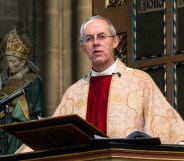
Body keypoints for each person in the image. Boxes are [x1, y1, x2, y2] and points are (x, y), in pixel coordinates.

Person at [17, 15, 184, 153]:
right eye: (89, 39)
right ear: (82, 47)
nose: (96, 42)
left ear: (115, 42)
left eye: (102, 36)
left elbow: (170, 128)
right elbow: (52, 135)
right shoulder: (74, 93)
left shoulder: (139, 82)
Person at [0, 28, 45, 155]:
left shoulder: (33, 81)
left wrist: (14, 108)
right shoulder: (5, 80)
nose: (9, 65)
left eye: (13, 61)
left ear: (23, 60)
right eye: (8, 61)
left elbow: (37, 112)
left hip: (19, 135)